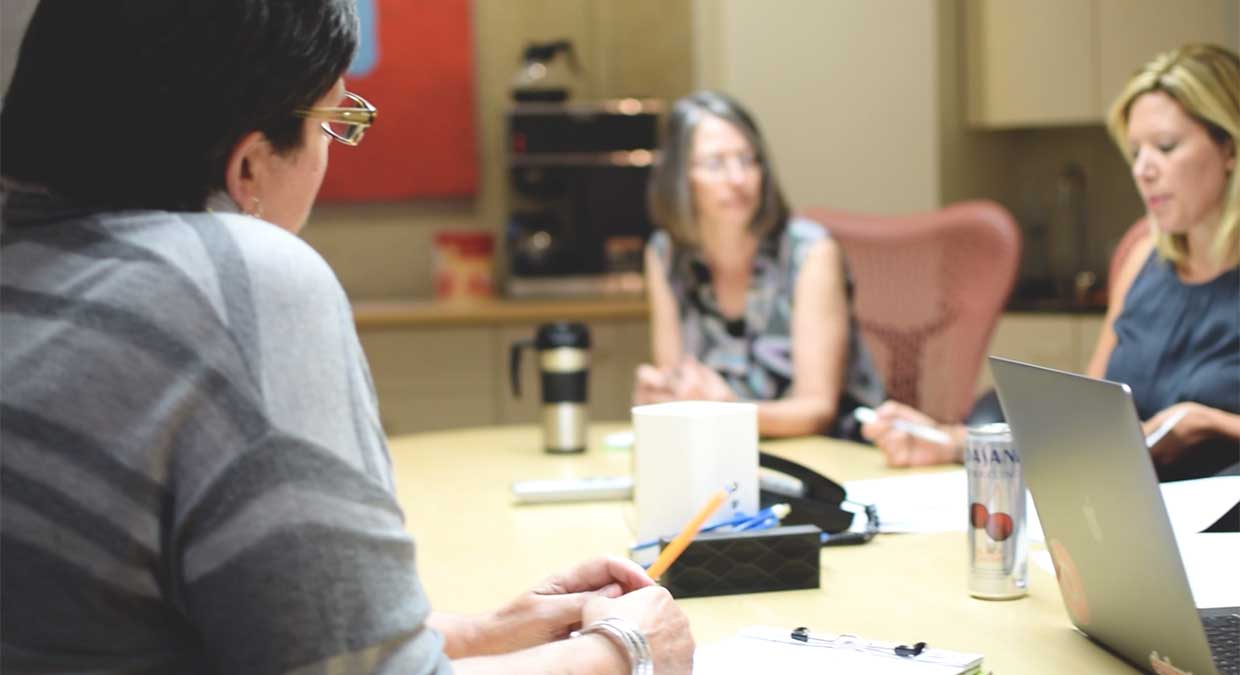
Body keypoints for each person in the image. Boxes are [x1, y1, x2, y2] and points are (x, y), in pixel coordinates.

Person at [0, 2, 693, 673]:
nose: (332, 151)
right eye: (333, 120)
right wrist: (625, 652)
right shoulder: (238, 277)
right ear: (247, 170)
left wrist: (489, 633)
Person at [861, 43, 1239, 482]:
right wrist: (953, 441)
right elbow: (1092, 420)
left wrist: (1205, 422)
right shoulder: (1142, 259)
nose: (1143, 170)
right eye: (1136, 152)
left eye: (1166, 147)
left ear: (1228, 147)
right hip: (1124, 506)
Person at [632, 91, 884, 439]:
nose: (737, 178)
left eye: (748, 160)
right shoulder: (665, 254)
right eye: (715, 163)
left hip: (828, 452)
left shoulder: (810, 252)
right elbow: (677, 380)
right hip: (725, 454)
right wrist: (661, 401)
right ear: (679, 178)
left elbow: (818, 409)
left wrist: (725, 411)